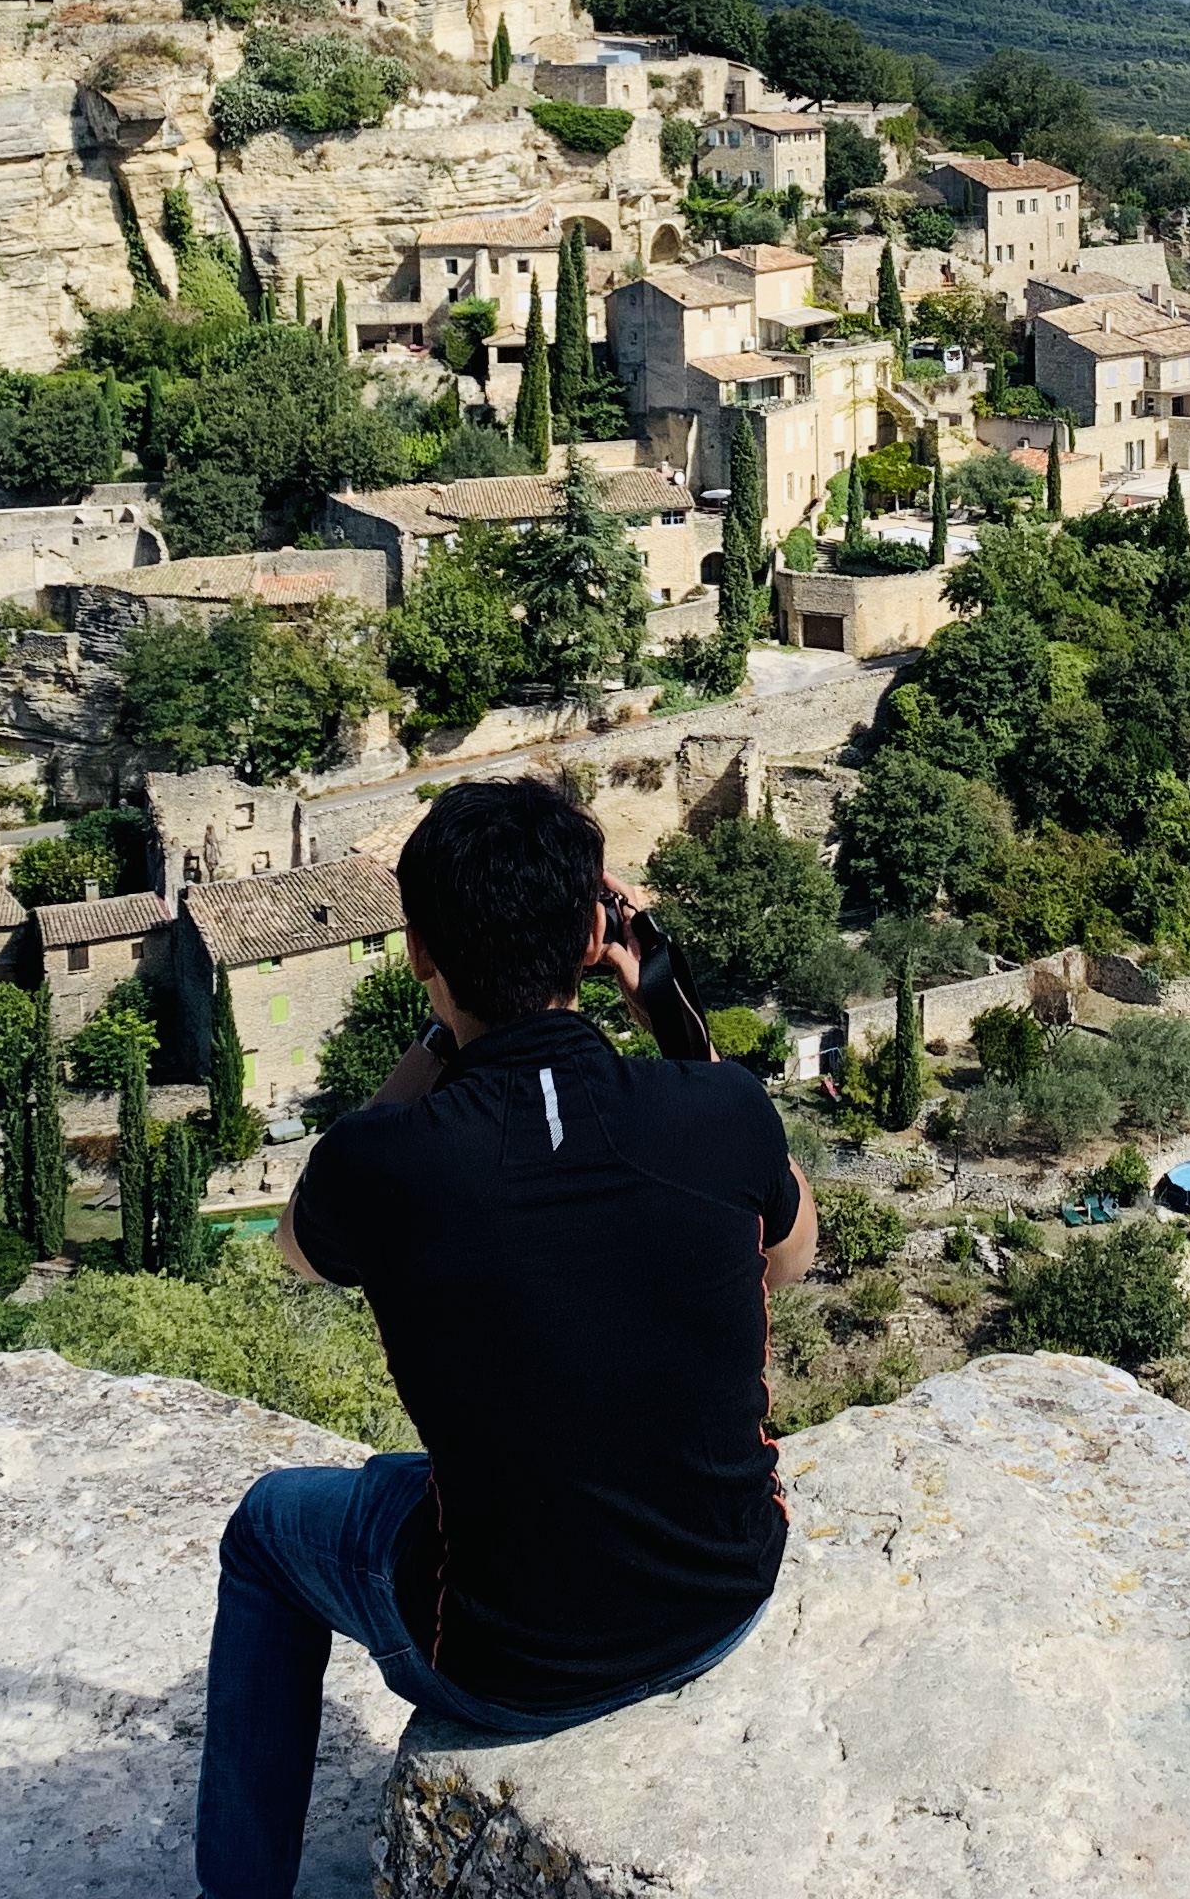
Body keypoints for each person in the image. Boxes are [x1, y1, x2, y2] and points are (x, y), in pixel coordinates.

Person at [183, 777, 816, 1899]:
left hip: (510, 1666)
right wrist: (662, 1000)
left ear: (421, 951)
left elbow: (296, 1245)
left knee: (271, 1526)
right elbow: (789, 1254)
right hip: (723, 1596)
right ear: (589, 935)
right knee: (436, 1468)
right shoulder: (720, 1113)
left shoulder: (383, 1167)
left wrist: (445, 1029)